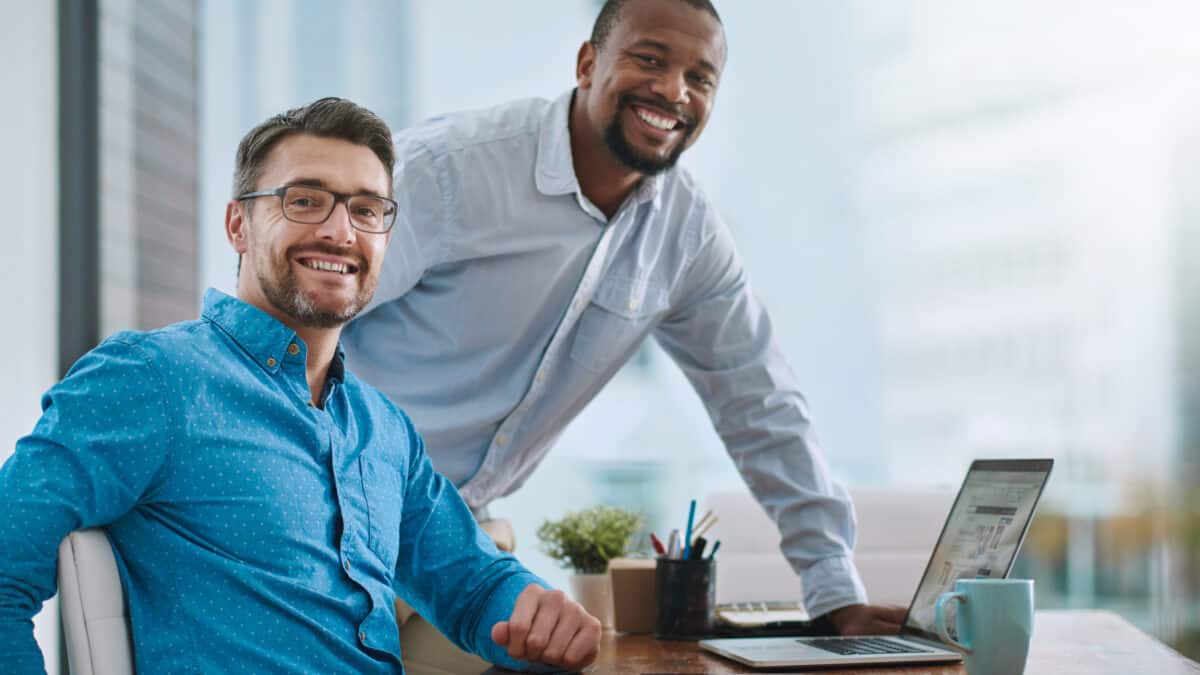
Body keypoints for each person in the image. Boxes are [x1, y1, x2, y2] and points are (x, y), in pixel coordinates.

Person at [342, 0, 903, 651]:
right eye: (649, 59)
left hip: (462, 540)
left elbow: (763, 406)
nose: (674, 91)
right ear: (588, 63)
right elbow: (297, 320)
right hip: (336, 520)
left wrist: (836, 592)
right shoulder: (449, 169)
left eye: (701, 78)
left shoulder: (687, 237)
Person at [0, 98, 599, 674]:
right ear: (239, 224)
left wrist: (540, 613)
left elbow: (472, 583)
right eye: (306, 201)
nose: (341, 232)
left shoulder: (384, 429)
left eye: (367, 211)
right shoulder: (150, 380)